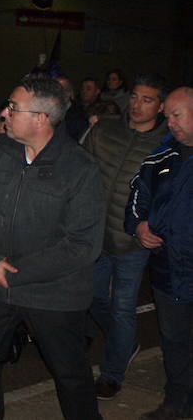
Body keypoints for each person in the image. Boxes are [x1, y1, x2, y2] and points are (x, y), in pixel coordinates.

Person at [0, 73, 104, 420]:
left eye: (14, 108)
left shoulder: (79, 168)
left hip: (53, 293)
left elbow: (82, 245)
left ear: (41, 119)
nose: (5, 113)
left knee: (70, 375)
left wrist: (17, 273)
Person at [83, 74, 168, 401]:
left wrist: (154, 226)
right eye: (134, 97)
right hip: (95, 237)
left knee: (122, 307)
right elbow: (79, 169)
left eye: (147, 100)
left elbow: (171, 194)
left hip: (132, 243)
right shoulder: (105, 129)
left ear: (159, 106)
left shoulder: (165, 145)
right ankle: (126, 341)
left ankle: (113, 372)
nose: (137, 104)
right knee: (91, 297)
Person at [125, 86, 193, 420]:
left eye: (177, 116)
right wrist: (138, 226)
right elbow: (139, 195)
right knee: (175, 342)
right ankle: (177, 402)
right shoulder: (162, 155)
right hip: (169, 273)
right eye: (168, 117)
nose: (172, 124)